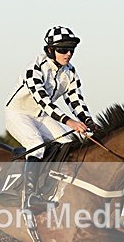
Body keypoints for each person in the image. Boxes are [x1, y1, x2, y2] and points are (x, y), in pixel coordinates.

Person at [5, 26, 98, 210]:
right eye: (63, 49)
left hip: (41, 116)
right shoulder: (35, 69)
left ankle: (52, 188)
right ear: (49, 50)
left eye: (71, 49)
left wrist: (88, 122)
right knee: (35, 144)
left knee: (68, 143)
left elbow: (76, 100)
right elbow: (45, 102)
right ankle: (30, 197)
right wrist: (69, 121)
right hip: (18, 114)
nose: (68, 54)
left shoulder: (70, 72)